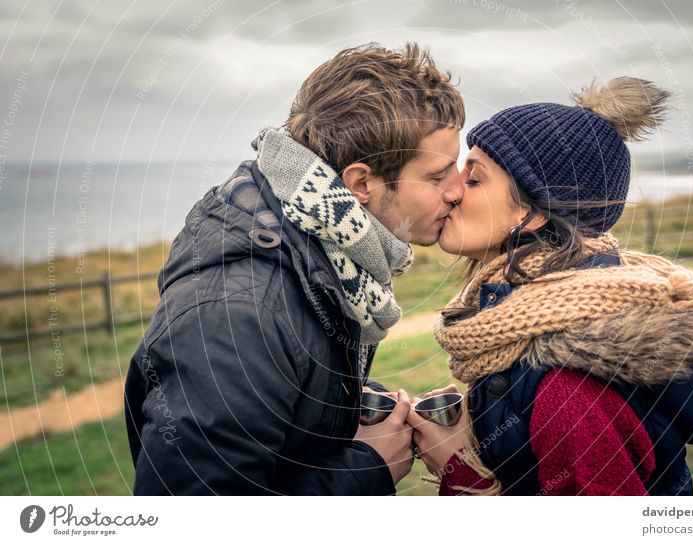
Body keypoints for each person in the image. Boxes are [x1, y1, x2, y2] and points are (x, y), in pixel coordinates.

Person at [407, 76, 693, 495]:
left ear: (535, 213)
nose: (452, 190)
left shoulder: (571, 389)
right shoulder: (525, 325)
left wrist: (458, 468)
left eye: (474, 178)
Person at [124, 42, 465, 494]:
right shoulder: (237, 315)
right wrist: (367, 466)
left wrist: (340, 405)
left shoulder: (325, 252)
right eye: (438, 176)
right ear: (361, 183)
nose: (458, 190)